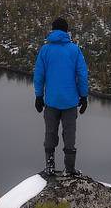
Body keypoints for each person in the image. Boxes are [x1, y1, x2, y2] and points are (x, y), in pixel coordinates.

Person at [33, 16, 89, 177]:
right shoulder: (74, 49)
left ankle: (49, 167)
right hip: (70, 101)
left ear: (53, 30)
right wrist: (83, 96)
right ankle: (69, 169)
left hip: (51, 101)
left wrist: (38, 96)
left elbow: (39, 75)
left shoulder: (45, 50)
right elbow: (82, 75)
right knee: (69, 133)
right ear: (66, 31)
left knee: (50, 132)